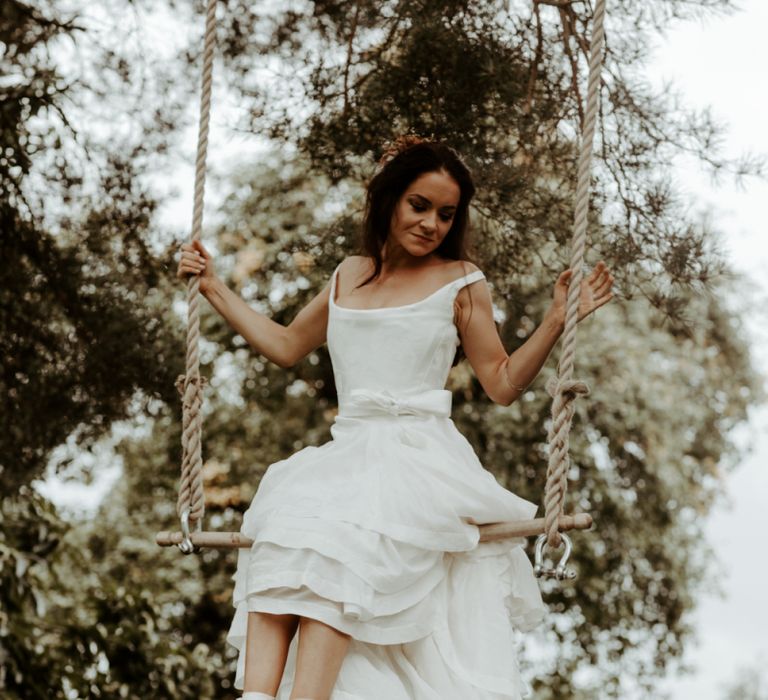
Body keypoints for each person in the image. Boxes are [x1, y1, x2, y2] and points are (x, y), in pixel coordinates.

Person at [177, 136, 614, 700]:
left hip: (417, 455)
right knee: (285, 528)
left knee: (340, 543)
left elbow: (502, 383)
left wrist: (557, 320)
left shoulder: (461, 279)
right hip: (349, 450)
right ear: (388, 200)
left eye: (446, 214)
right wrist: (213, 286)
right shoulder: (348, 275)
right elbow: (286, 345)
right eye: (420, 205)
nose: (432, 223)